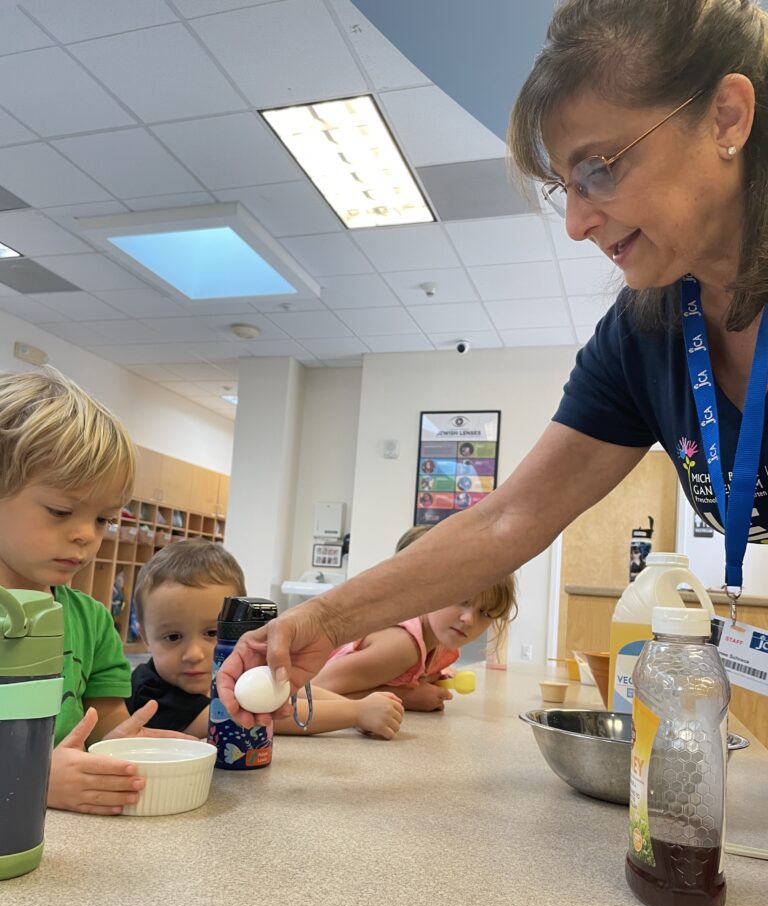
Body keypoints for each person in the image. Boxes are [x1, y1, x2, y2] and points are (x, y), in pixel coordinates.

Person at [218, 0, 768, 727]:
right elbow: (506, 522)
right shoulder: (648, 334)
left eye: (598, 170)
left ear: (727, 117)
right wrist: (320, 621)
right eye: (563, 189)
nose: (576, 224)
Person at [0, 369, 186, 815]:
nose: (86, 535)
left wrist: (124, 745)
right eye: (61, 511)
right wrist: (33, 781)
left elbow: (104, 721)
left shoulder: (91, 619)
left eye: (103, 519)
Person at [128, 540, 404, 740]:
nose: (194, 653)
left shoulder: (232, 663)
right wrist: (355, 713)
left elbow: (288, 688)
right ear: (145, 637)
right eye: (173, 637)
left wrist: (359, 706)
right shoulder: (149, 692)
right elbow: (264, 717)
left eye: (212, 633)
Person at [309, 572, 516, 712]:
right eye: (461, 599)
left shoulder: (443, 644)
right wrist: (404, 698)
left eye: (485, 613)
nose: (469, 619)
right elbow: (306, 691)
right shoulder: (402, 646)